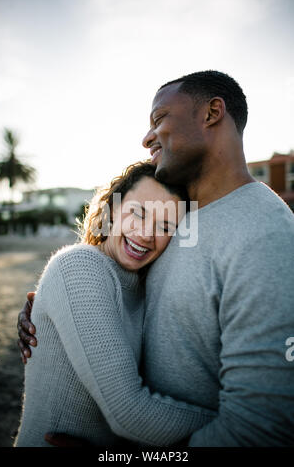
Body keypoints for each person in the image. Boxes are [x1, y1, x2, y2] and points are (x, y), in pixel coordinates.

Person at [18, 70, 294, 446]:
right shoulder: (190, 216)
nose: (147, 137)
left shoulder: (266, 231)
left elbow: (262, 425)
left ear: (212, 112)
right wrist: (49, 312)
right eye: (138, 213)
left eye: (159, 119)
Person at [15, 161, 217, 447]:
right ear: (111, 211)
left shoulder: (143, 286)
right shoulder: (79, 266)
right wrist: (245, 424)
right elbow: (129, 414)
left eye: (165, 226)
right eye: (138, 213)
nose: (146, 234)